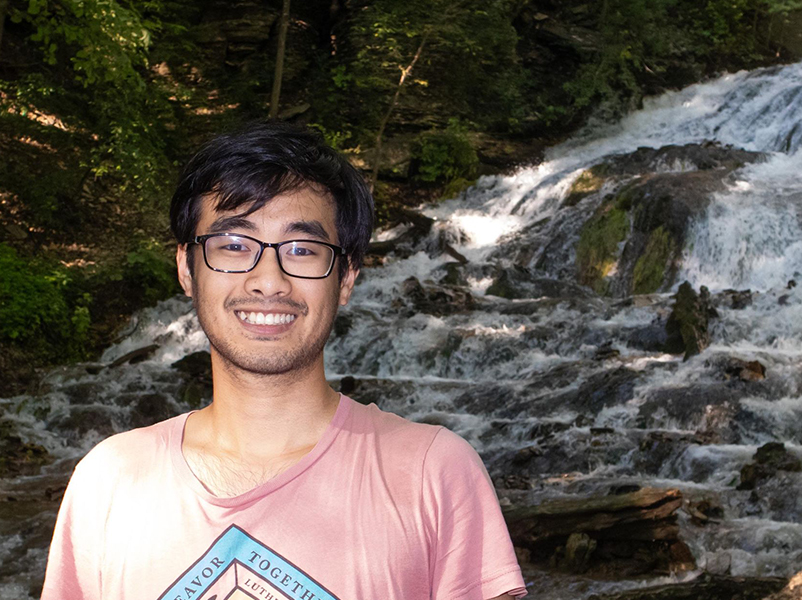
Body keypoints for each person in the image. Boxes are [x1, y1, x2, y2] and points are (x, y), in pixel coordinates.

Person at [41, 122, 526, 600]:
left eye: (302, 249)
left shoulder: (432, 474)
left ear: (347, 277)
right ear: (187, 269)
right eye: (233, 245)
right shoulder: (109, 482)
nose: (268, 280)